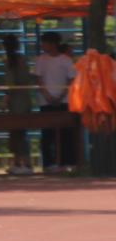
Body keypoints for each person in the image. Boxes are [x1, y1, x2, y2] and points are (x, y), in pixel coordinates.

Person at [35, 31, 77, 172]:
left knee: (66, 133)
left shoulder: (66, 60)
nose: (42, 45)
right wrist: (47, 96)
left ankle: (67, 162)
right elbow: (39, 79)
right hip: (45, 101)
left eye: (44, 43)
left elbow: (71, 80)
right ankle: (49, 163)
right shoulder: (41, 59)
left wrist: (61, 96)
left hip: (64, 101)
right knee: (47, 133)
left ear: (53, 44)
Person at [1, 34, 34, 174]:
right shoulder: (23, 59)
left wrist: (5, 99)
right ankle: (23, 163)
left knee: (16, 133)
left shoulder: (9, 61)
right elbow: (27, 77)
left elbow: (10, 83)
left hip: (15, 101)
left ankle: (22, 163)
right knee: (21, 132)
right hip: (25, 98)